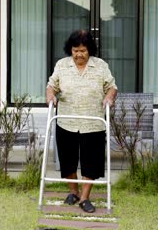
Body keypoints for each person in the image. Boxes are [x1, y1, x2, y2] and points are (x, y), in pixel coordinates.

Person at [46, 29, 117, 213]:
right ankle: (73, 192)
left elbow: (112, 87)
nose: (79, 54)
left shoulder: (100, 65)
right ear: (70, 49)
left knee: (90, 162)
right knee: (67, 160)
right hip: (66, 120)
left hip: (92, 122)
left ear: (90, 50)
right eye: (75, 50)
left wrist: (109, 98)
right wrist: (51, 96)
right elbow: (51, 85)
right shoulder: (62, 65)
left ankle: (84, 198)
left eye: (83, 50)